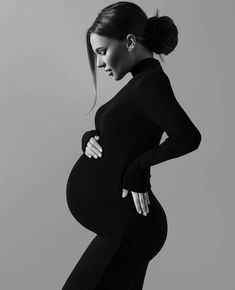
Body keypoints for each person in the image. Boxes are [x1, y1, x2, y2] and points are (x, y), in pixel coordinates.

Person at [62, 1, 202, 289]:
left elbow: (188, 137)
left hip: (128, 231)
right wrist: (90, 138)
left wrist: (139, 169)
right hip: (122, 228)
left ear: (128, 41)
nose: (99, 63)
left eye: (102, 52)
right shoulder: (138, 84)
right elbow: (123, 133)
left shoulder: (150, 83)